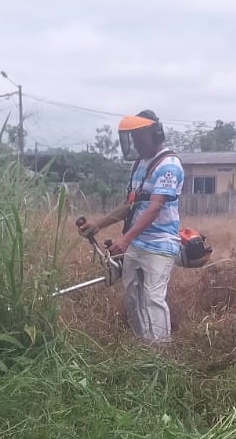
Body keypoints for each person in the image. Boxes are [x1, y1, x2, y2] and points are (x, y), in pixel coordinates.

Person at [76, 110, 184, 344]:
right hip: (137, 243)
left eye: (138, 138)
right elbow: (131, 205)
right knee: (132, 296)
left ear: (155, 134)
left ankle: (161, 351)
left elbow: (155, 208)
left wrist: (125, 240)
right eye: (132, 138)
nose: (135, 143)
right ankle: (143, 344)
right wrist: (98, 225)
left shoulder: (169, 165)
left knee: (153, 297)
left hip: (160, 244)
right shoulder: (138, 165)